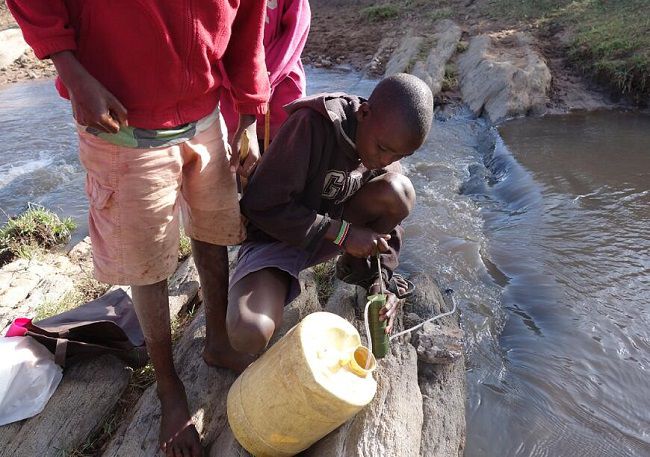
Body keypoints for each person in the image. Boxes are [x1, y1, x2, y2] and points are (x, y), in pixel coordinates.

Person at [6, 2, 270, 456]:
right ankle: (168, 387)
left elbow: (247, 21)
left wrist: (248, 111)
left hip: (206, 117)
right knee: (147, 263)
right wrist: (72, 72)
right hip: (122, 126)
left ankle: (218, 343)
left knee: (214, 231)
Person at [226, 73, 434, 355]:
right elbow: (261, 204)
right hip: (276, 237)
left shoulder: (384, 136)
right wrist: (343, 233)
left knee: (400, 190)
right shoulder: (313, 125)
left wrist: (382, 279)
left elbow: (390, 225)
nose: (385, 160)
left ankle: (357, 270)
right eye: (383, 149)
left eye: (398, 156)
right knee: (249, 332)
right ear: (364, 113)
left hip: (331, 237)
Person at [220, 0, 311, 147]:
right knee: (237, 158)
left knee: (286, 154)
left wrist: (261, 78)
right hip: (232, 88)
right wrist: (232, 79)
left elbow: (295, 34)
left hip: (283, 84)